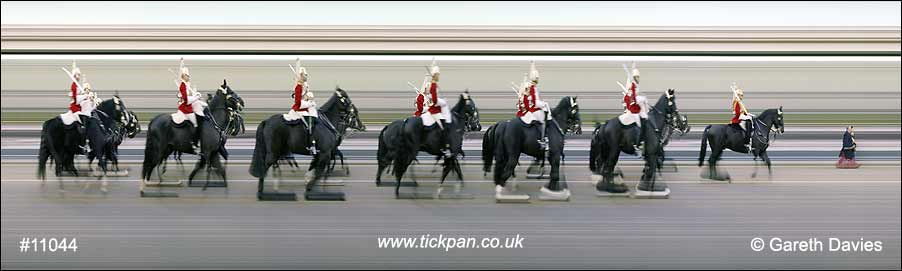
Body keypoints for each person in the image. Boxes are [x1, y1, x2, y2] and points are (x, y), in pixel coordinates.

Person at [283, 58, 319, 154]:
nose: (306, 76)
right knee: (310, 124)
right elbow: (298, 102)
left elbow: (306, 96)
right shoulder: (298, 87)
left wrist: (309, 96)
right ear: (301, 76)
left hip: (307, 108)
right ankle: (312, 144)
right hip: (299, 110)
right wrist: (309, 103)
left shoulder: (304, 85)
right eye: (304, 75)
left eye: (306, 75)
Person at [174, 58, 207, 151]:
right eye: (187, 76)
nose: (189, 77)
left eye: (188, 76)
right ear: (183, 76)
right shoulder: (183, 86)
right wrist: (196, 97)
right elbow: (187, 100)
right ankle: (194, 142)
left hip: (188, 108)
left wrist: (198, 97)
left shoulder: (187, 85)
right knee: (196, 124)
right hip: (186, 109)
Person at [516, 61, 550, 149]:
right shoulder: (533, 88)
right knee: (544, 121)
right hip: (534, 110)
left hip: (531, 110)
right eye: (537, 79)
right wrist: (544, 104)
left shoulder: (530, 87)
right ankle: (543, 140)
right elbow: (535, 102)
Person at [617, 62, 648, 152]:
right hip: (633, 110)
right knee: (640, 124)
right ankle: (638, 144)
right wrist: (642, 99)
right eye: (637, 77)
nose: (638, 78)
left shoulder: (634, 86)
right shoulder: (632, 86)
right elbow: (632, 99)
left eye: (638, 77)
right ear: (634, 78)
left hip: (634, 108)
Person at [730, 82, 754, 151]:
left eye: (742, 95)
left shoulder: (739, 102)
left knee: (751, 118)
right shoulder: (736, 102)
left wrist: (748, 114)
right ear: (738, 95)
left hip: (741, 116)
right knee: (748, 124)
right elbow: (737, 113)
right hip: (738, 118)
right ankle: (747, 142)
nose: (741, 97)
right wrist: (746, 116)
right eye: (740, 95)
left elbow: (743, 111)